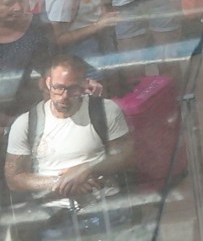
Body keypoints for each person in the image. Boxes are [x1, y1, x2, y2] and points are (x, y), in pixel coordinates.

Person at [5, 53, 130, 197]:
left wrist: (87, 169)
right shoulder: (26, 123)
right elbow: (13, 179)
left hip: (102, 201)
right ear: (48, 83)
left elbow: (126, 157)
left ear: (84, 84)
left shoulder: (105, 110)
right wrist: (61, 183)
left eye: (72, 89)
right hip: (52, 210)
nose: (64, 96)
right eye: (58, 88)